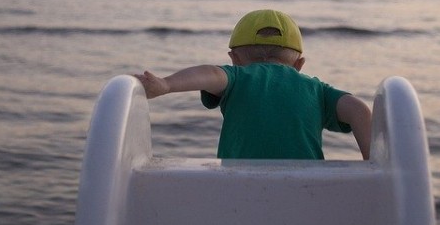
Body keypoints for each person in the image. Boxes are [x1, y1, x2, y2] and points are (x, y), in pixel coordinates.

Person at [134, 9, 372, 160]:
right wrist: (374, 166)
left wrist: (165, 84)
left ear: (234, 60)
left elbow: (209, 74)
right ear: (299, 64)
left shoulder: (238, 77)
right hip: (304, 190)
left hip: (239, 187)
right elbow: (358, 110)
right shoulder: (318, 91)